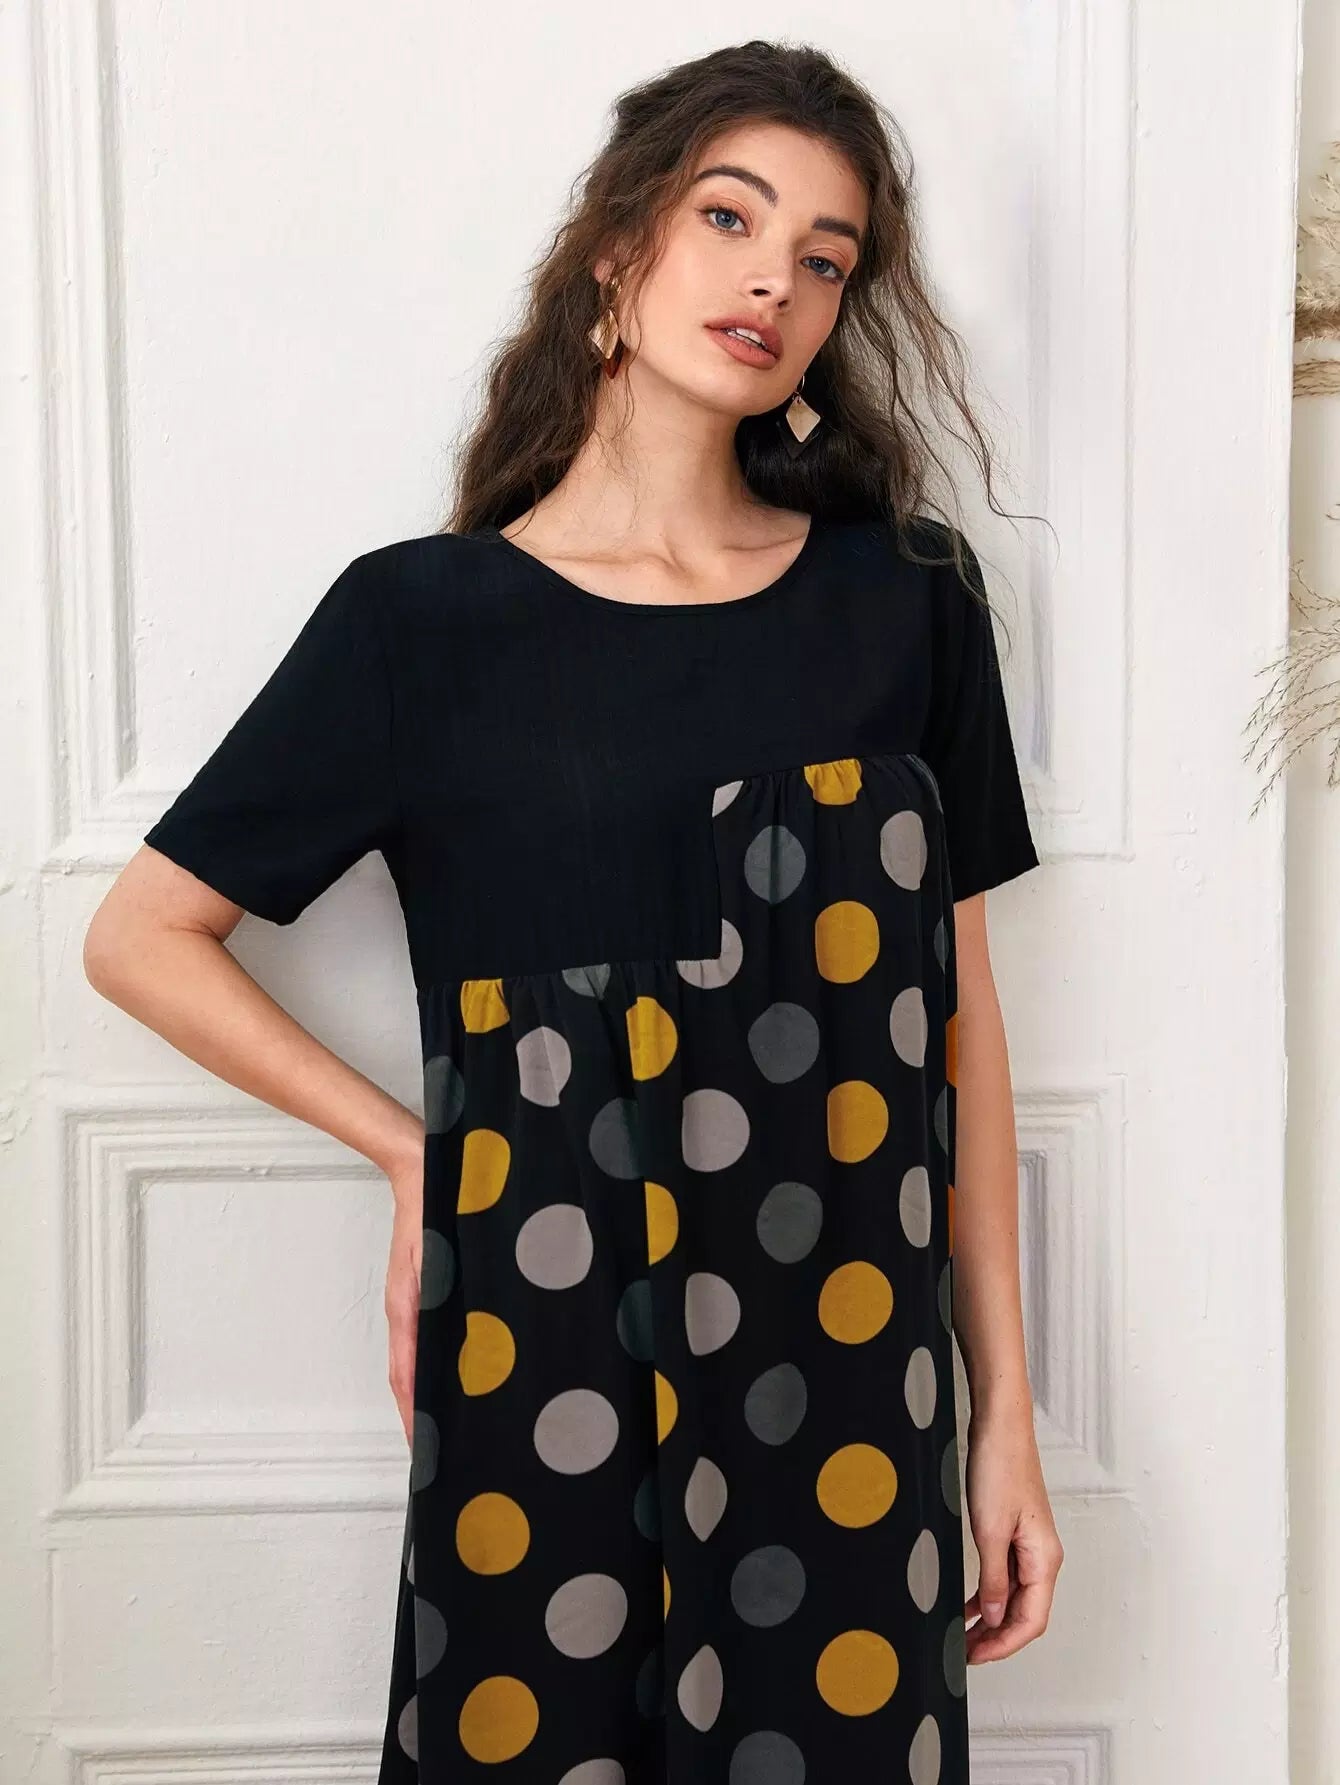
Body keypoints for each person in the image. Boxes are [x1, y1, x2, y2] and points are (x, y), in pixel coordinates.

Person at [83, 37, 1063, 1785]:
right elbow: (140, 937)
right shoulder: (420, 625)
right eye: (730, 218)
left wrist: (1006, 1418)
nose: (775, 279)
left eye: (825, 257)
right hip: (542, 1349)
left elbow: (962, 1028)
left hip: (849, 1377)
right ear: (619, 249)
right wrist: (415, 1158)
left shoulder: (903, 600)